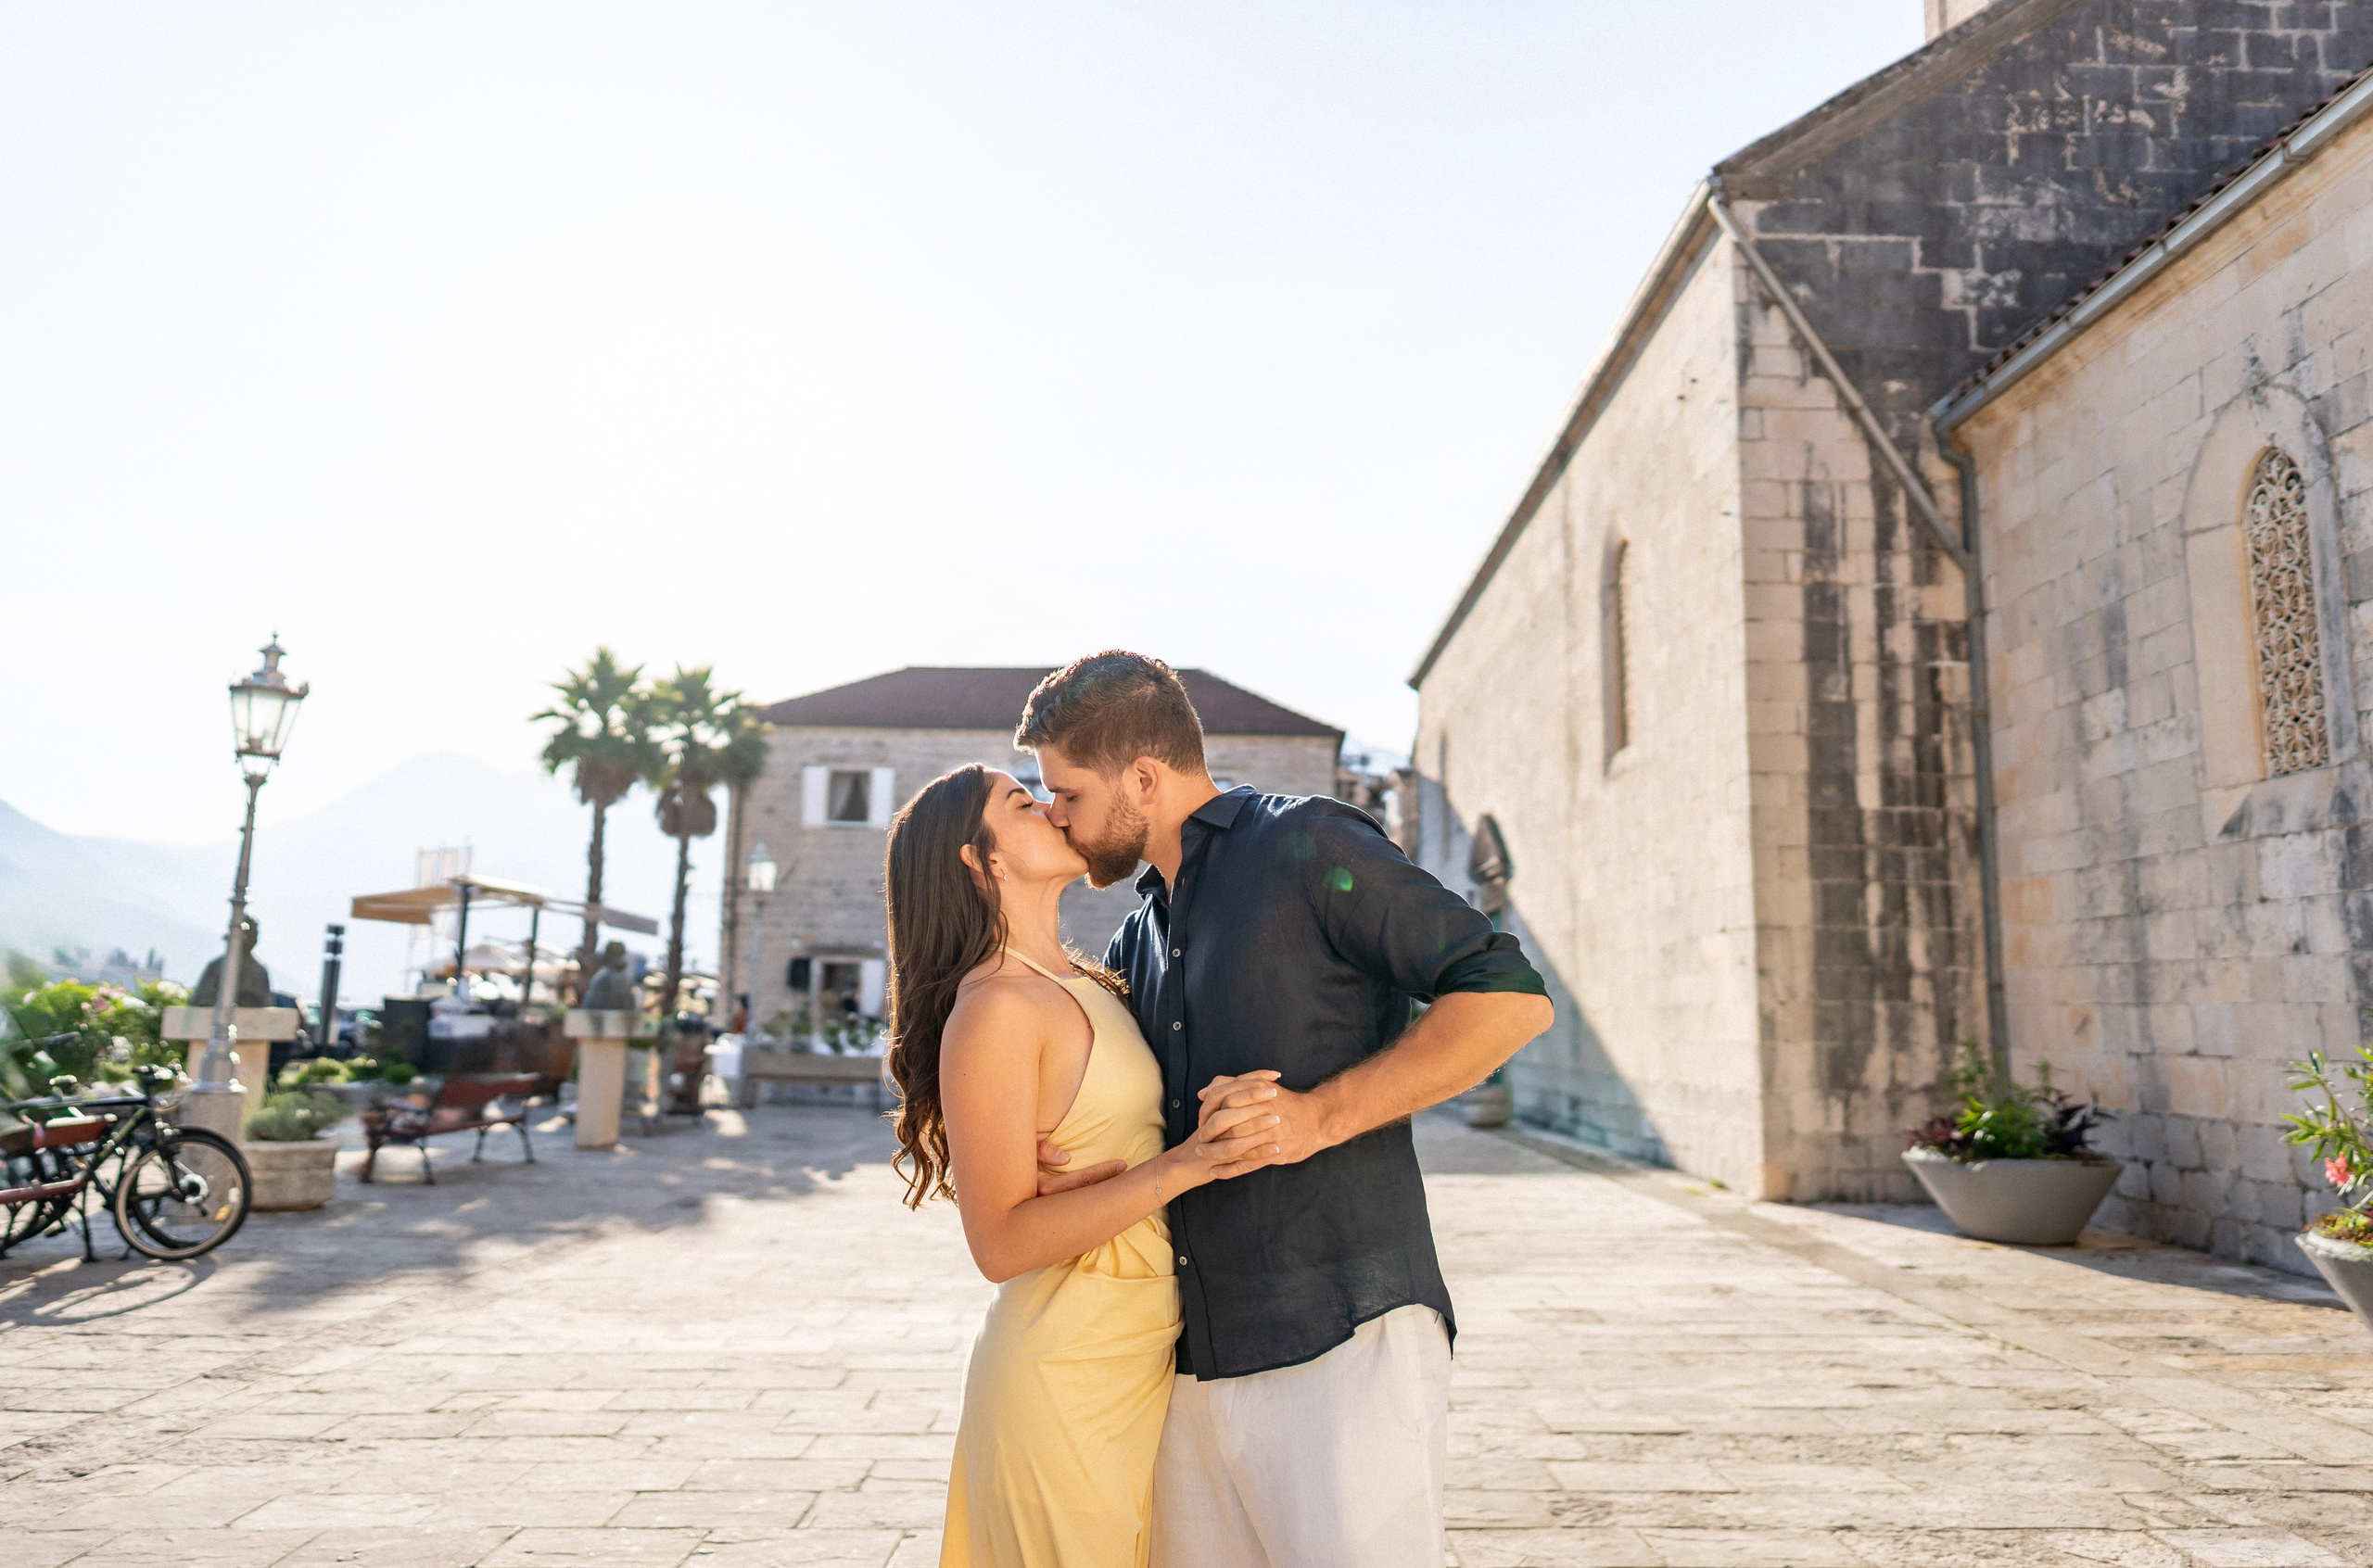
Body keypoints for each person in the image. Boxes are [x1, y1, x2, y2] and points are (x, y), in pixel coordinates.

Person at [1018, 651, 1554, 1568]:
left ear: (1141, 777)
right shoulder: (1135, 936)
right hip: (1185, 1367)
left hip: (1341, 1341)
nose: (1056, 814)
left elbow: (1508, 998)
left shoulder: (1309, 843)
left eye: (1067, 792)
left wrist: (1318, 1117)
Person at [884, 764, 1286, 1568]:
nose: (1053, 810)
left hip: (1140, 1360)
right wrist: (1184, 1166)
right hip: (1061, 1376)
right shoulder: (995, 1008)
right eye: (1022, 803)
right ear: (981, 860)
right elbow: (1000, 1245)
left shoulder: (1092, 983)